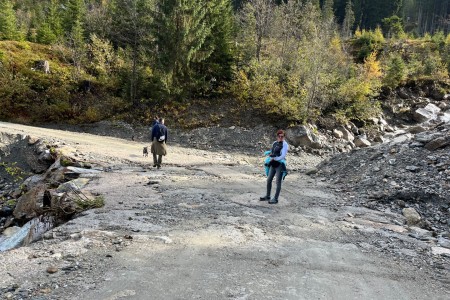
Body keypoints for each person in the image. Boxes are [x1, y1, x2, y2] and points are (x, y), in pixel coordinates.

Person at [260, 129, 288, 204]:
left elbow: (283, 156)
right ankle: (268, 196)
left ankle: (275, 199)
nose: (280, 137)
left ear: (284, 137)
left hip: (280, 164)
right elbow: (273, 151)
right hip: (273, 163)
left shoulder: (285, 144)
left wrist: (275, 158)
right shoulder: (275, 143)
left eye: (282, 136)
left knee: (278, 182)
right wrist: (269, 154)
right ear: (277, 136)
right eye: (279, 136)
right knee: (269, 179)